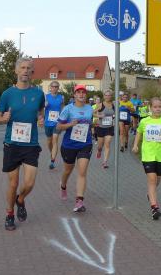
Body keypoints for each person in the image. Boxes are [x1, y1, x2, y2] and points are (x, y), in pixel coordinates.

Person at [0, 57, 46, 231]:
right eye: (22, 67)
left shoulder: (38, 94)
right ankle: (9, 214)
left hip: (31, 144)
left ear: (32, 72)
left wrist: (41, 119)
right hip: (12, 144)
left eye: (28, 68)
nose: (25, 71)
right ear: (16, 71)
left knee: (29, 183)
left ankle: (20, 199)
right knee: (13, 183)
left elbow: (40, 111)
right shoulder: (7, 94)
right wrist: (3, 119)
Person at [132, 98, 161, 220]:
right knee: (152, 179)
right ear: (150, 108)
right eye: (155, 107)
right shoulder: (144, 121)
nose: (157, 109)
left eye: (160, 107)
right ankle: (154, 207)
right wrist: (135, 145)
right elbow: (139, 132)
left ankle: (150, 193)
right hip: (147, 154)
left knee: (157, 180)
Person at [56, 84, 94, 212]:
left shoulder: (89, 109)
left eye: (83, 92)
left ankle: (79, 201)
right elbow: (58, 127)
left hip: (85, 143)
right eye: (79, 92)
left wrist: (93, 124)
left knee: (82, 171)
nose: (81, 94)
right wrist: (70, 124)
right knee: (68, 170)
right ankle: (63, 185)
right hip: (69, 145)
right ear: (74, 95)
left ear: (86, 95)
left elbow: (90, 124)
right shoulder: (68, 109)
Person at [44, 81, 64, 169]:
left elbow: (62, 108)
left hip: (57, 123)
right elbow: (41, 108)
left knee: (55, 140)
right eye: (53, 86)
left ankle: (52, 161)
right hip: (48, 122)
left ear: (58, 88)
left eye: (56, 87)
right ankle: (51, 152)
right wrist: (44, 105)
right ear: (50, 87)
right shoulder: (46, 97)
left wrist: (63, 119)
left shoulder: (61, 97)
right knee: (49, 141)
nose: (55, 88)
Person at [93, 90, 116, 169]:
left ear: (111, 96)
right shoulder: (100, 105)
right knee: (100, 146)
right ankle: (99, 150)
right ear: (104, 96)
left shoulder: (114, 105)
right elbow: (92, 113)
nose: (107, 97)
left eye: (109, 95)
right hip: (101, 128)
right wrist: (99, 116)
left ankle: (105, 162)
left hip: (110, 127)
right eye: (106, 95)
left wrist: (114, 119)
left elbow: (115, 114)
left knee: (107, 144)